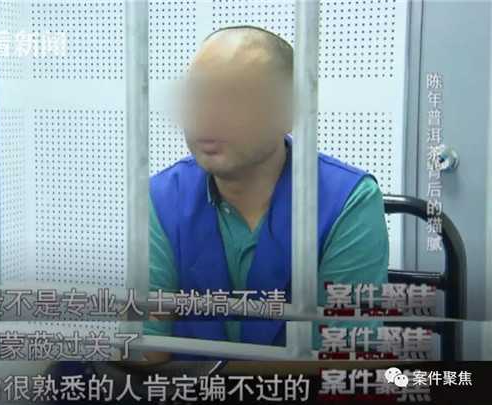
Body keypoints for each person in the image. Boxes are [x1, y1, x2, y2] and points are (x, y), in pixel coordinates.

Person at [142, 25, 389, 361]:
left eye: (235, 97)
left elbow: (344, 361)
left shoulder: (347, 201)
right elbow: (147, 350)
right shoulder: (161, 197)